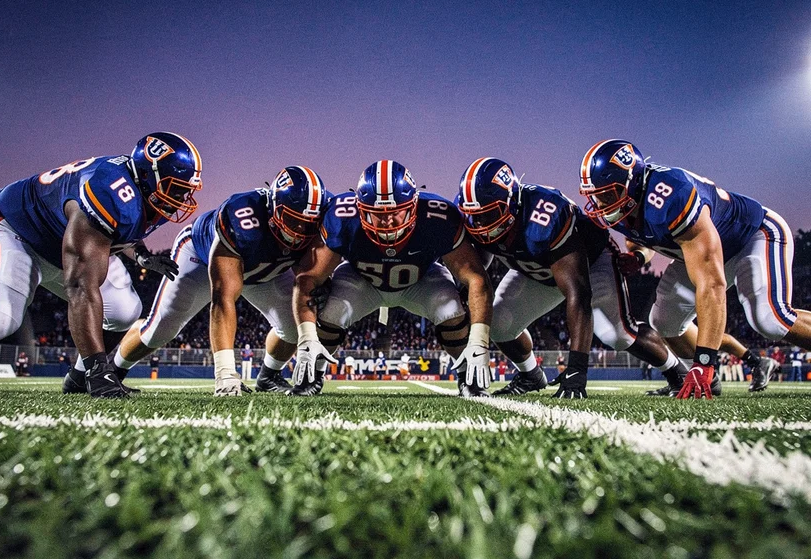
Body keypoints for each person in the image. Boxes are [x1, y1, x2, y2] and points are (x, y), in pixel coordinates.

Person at [0, 132, 202, 398]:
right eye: (177, 188)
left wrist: (140, 255)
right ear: (148, 175)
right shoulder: (109, 190)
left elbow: (122, 228)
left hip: (64, 242)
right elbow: (80, 286)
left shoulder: (144, 193)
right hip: (14, 230)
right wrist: (99, 369)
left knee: (124, 311)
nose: (182, 198)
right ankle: (96, 372)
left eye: (186, 190)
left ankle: (78, 379)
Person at [579, 139, 799, 399]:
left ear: (633, 181)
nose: (599, 203)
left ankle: (705, 370)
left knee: (770, 320)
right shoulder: (622, 206)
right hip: (700, 251)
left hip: (751, 236)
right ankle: (707, 381)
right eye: (595, 195)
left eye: (607, 194)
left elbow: (712, 284)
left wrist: (704, 361)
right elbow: (639, 238)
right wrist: (638, 257)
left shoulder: (671, 196)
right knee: (664, 320)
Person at [456, 158, 688, 399]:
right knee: (498, 325)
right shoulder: (474, 212)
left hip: (589, 262)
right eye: (475, 216)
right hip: (534, 267)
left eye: (489, 214)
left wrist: (577, 369)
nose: (480, 223)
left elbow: (579, 292)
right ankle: (530, 375)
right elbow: (480, 246)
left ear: (512, 203)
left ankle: (677, 372)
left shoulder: (544, 216)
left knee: (617, 334)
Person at [113, 167, 329, 396]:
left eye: (308, 224)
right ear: (273, 207)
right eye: (292, 220)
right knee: (160, 330)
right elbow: (223, 298)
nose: (299, 231)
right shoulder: (242, 217)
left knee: (297, 326)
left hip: (267, 267)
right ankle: (113, 371)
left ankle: (269, 376)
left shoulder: (323, 216)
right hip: (201, 257)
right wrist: (226, 373)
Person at [290, 160, 494, 397]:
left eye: (396, 212)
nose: (387, 221)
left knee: (450, 310)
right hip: (363, 280)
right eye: (377, 214)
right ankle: (312, 375)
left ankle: (468, 376)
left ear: (414, 205)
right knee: (331, 313)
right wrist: (307, 338)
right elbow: (307, 279)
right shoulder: (342, 218)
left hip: (420, 279)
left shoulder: (439, 217)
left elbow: (476, 278)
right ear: (360, 208)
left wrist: (478, 341)